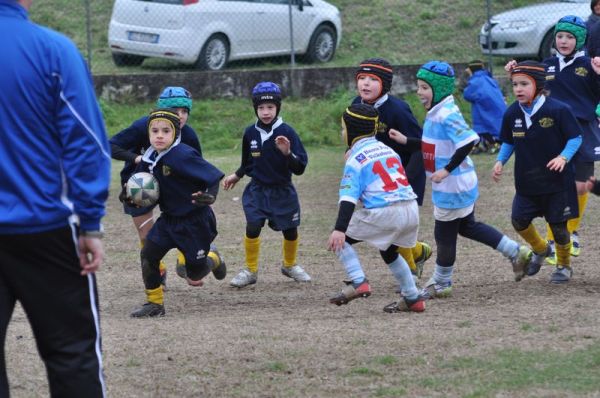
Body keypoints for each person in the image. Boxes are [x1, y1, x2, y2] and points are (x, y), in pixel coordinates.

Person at [0, 0, 110, 396]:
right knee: (72, 354)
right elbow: (86, 140)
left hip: (41, 224)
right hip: (45, 228)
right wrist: (90, 222)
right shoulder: (53, 50)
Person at [389, 61, 533, 299]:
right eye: (419, 87)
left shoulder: (445, 113)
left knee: (443, 234)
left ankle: (442, 281)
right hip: (456, 185)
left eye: (424, 87)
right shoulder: (437, 112)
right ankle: (515, 252)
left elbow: (469, 140)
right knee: (468, 226)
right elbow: (434, 145)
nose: (419, 92)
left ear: (439, 89)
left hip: (453, 187)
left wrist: (446, 170)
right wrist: (407, 141)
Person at [506, 16, 600, 264]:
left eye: (570, 37)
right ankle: (554, 237)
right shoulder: (546, 65)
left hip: (582, 128)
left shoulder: (589, 65)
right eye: (560, 36)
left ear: (579, 39)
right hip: (552, 131)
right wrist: (514, 69)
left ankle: (571, 230)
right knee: (554, 183)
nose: (564, 41)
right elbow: (526, 81)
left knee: (582, 184)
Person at [111, 86, 221, 286]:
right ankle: (158, 274)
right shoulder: (142, 126)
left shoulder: (188, 135)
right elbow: (110, 145)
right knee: (146, 234)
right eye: (175, 110)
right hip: (142, 183)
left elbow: (199, 172)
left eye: (184, 111)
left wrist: (205, 195)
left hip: (172, 184)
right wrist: (136, 158)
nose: (180, 116)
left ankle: (201, 258)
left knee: (190, 267)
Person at [327, 103, 426, 313]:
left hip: (386, 211)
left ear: (352, 132)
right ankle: (412, 297)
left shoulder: (356, 160)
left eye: (343, 128)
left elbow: (348, 199)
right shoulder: (387, 149)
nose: (342, 132)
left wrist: (339, 229)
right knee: (389, 250)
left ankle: (358, 281)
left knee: (340, 242)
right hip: (410, 209)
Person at [128, 109, 226, 317]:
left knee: (194, 273)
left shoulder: (183, 155)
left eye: (166, 131)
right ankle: (155, 304)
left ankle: (214, 258)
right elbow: (138, 181)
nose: (160, 135)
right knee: (148, 254)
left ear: (175, 134)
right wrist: (128, 195)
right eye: (154, 131)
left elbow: (212, 177)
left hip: (195, 221)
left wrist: (209, 196)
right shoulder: (149, 157)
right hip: (169, 220)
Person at [493, 61, 582, 284]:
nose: (518, 89)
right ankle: (541, 249)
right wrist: (500, 161)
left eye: (524, 84)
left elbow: (575, 137)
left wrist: (563, 157)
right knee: (518, 221)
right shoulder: (512, 112)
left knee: (559, 229)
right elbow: (508, 141)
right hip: (527, 182)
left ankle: (563, 266)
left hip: (557, 183)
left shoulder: (559, 109)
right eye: (515, 84)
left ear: (539, 85)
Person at [223, 82, 311, 287]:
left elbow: (300, 168)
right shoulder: (250, 133)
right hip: (257, 190)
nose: (265, 112)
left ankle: (289, 265)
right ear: (255, 109)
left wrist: (288, 153)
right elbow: (247, 162)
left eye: (270, 107)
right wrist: (237, 175)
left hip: (283, 190)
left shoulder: (287, 132)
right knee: (253, 226)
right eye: (261, 108)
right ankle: (250, 270)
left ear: (277, 108)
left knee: (290, 230)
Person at [352, 57, 432, 279]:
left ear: (385, 84)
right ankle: (419, 251)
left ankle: (411, 273)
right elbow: (355, 140)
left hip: (404, 174)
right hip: (376, 178)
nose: (365, 84)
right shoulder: (355, 106)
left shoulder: (398, 109)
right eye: (362, 79)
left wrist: (406, 178)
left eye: (372, 79)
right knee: (389, 226)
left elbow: (419, 145)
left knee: (394, 227)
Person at [462, 60, 506, 155]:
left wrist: (466, 78)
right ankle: (487, 143)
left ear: (471, 69)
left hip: (484, 110)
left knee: (482, 127)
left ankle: (492, 143)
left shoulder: (475, 81)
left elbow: (467, 95)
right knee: (491, 126)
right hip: (497, 109)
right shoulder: (489, 79)